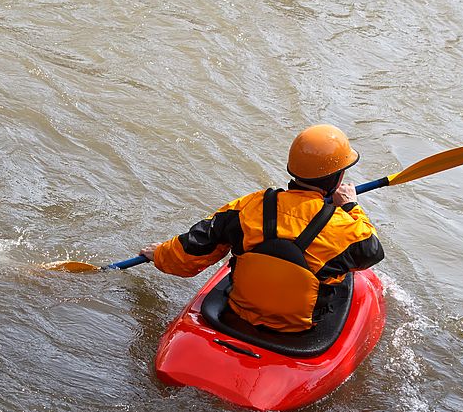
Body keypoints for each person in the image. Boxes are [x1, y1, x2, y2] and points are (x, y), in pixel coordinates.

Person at [140, 124, 384, 333]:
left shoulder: (250, 206)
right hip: (300, 328)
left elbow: (197, 245)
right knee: (343, 270)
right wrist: (351, 205)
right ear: (338, 179)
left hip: (240, 312)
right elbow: (372, 251)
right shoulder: (343, 227)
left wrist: (160, 254)